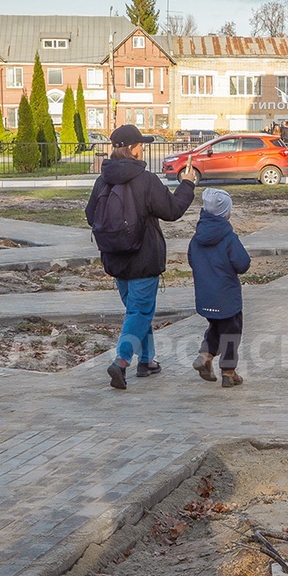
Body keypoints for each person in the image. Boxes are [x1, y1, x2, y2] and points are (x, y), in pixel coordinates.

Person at [86, 123, 197, 390]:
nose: (143, 149)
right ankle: (122, 361)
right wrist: (187, 184)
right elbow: (172, 210)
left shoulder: (103, 179)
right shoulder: (145, 180)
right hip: (143, 258)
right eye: (141, 145)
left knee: (137, 312)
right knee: (140, 311)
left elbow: (91, 215)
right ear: (134, 149)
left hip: (115, 258)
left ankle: (146, 360)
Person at [188, 188, 251, 388]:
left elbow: (192, 260)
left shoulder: (196, 238)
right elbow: (242, 264)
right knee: (232, 332)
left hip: (205, 294)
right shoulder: (228, 238)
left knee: (216, 326)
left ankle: (205, 355)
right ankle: (229, 372)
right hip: (227, 296)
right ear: (226, 213)